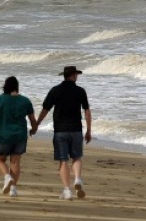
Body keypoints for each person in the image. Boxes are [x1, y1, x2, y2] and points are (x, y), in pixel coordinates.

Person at [32, 66, 92, 200]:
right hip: (76, 130)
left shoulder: (55, 90)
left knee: (63, 160)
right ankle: (77, 179)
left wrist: (36, 124)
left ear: (64, 75)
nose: (77, 76)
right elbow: (87, 111)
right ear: (73, 75)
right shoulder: (80, 91)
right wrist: (88, 130)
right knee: (76, 157)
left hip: (60, 131)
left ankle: (67, 190)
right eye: (76, 74)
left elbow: (45, 109)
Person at [0, 76, 37, 197]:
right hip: (20, 136)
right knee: (15, 162)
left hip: (3, 135)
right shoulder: (25, 101)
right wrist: (34, 129)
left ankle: (7, 177)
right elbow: (32, 119)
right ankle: (13, 189)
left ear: (5, 86)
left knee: (0, 160)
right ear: (17, 87)